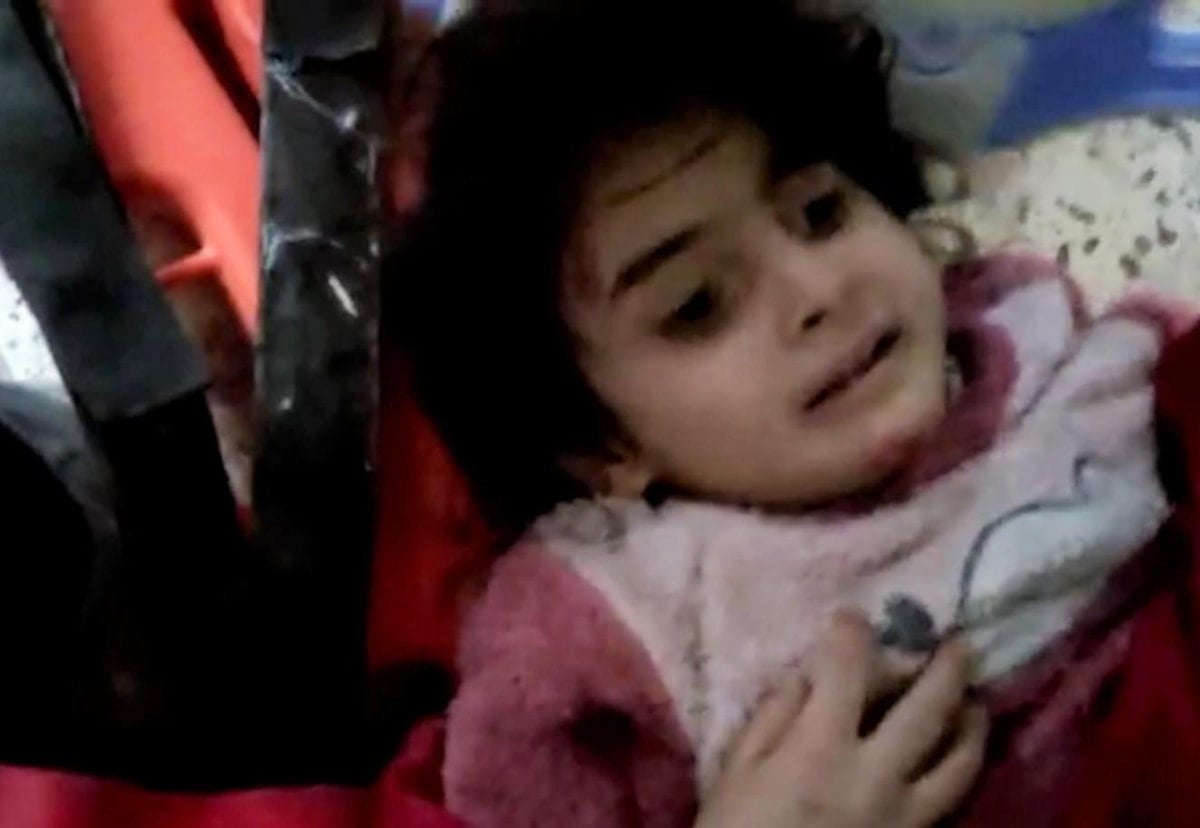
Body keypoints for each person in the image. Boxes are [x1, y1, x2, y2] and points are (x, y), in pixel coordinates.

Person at [390, 0, 1200, 824]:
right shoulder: (608, 634)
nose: (820, 290)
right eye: (699, 305)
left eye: (820, 214)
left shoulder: (1071, 352)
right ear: (598, 447)